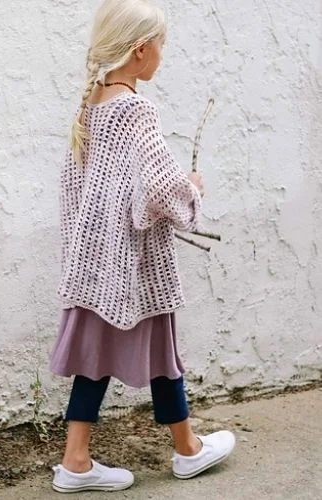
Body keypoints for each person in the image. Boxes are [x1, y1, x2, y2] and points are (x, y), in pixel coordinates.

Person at [48, 0, 234, 492]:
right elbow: (157, 189)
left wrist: (82, 249)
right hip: (134, 260)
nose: (162, 55)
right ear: (139, 50)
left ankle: (77, 460)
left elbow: (73, 186)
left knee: (97, 359)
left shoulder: (93, 105)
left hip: (96, 259)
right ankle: (187, 450)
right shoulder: (136, 110)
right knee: (161, 352)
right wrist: (191, 190)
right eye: (161, 46)